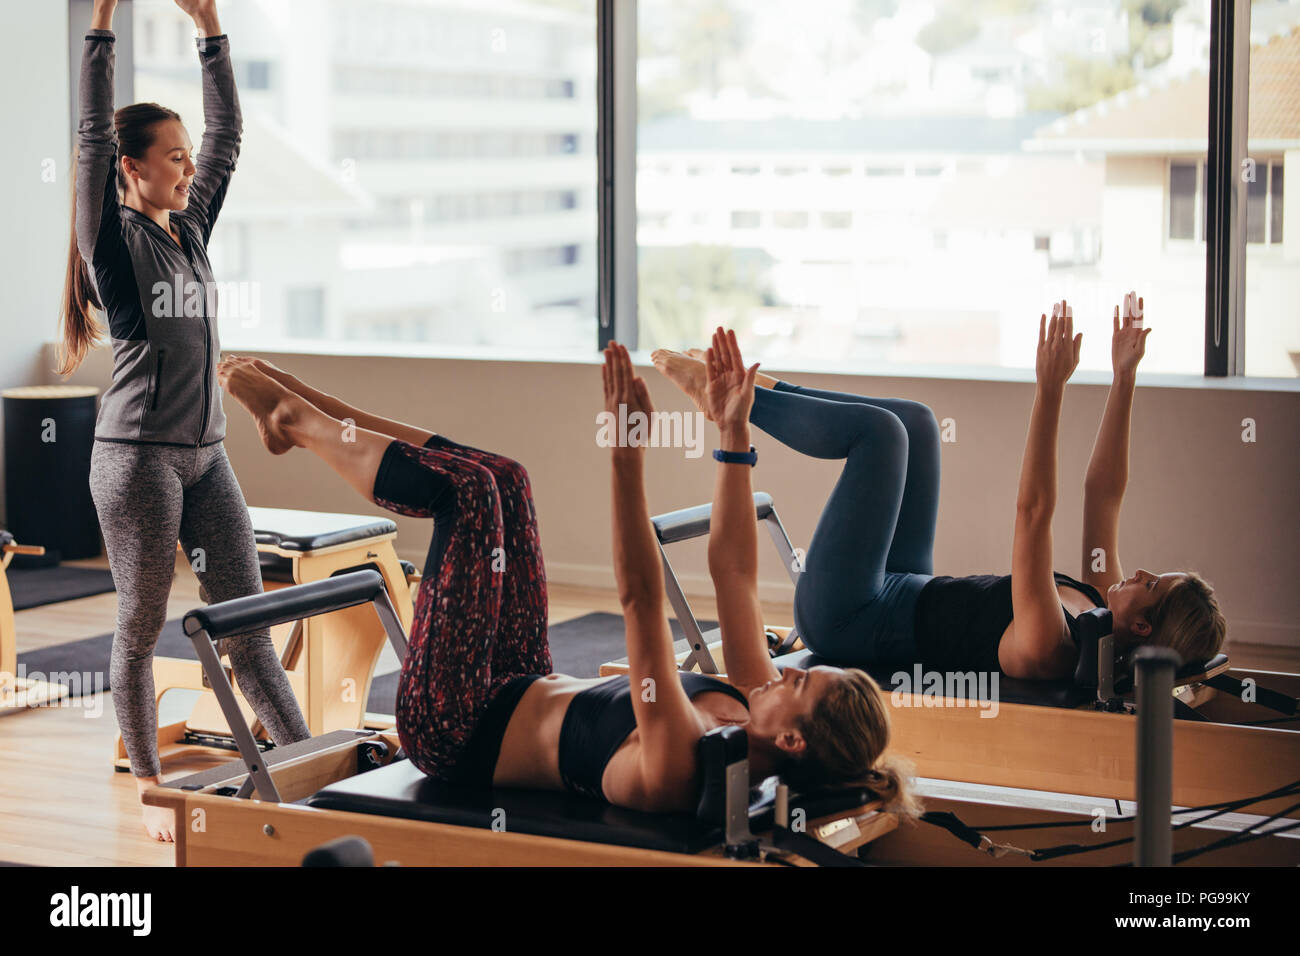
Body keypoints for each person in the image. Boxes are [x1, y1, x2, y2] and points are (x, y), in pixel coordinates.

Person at [214, 332, 919, 818]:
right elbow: (734, 575)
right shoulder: (752, 705)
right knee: (505, 481)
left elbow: (641, 601)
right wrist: (733, 436)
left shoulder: (683, 758)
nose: (787, 668)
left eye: (799, 683)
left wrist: (625, 455)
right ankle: (311, 411)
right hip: (520, 676)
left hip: (455, 727)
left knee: (467, 499)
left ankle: (291, 418)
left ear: (792, 740)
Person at [653, 298, 1226, 681]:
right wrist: (1124, 374)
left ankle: (730, 400)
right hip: (905, 583)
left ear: (1144, 627)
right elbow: (1103, 493)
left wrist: (1049, 389)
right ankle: (757, 388)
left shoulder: (1053, 645)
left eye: (1151, 584)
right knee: (919, 425)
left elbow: (1032, 514)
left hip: (851, 619)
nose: (1141, 572)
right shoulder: (1103, 603)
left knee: (879, 435)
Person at [59, 0, 309, 842]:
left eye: (186, 156)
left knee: (246, 622)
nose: (189, 165)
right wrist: (100, 21)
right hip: (136, 460)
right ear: (129, 169)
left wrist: (210, 29)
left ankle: (305, 760)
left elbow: (228, 135)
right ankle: (151, 782)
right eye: (172, 158)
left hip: (206, 456)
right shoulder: (115, 246)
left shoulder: (191, 231)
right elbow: (90, 134)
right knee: (141, 621)